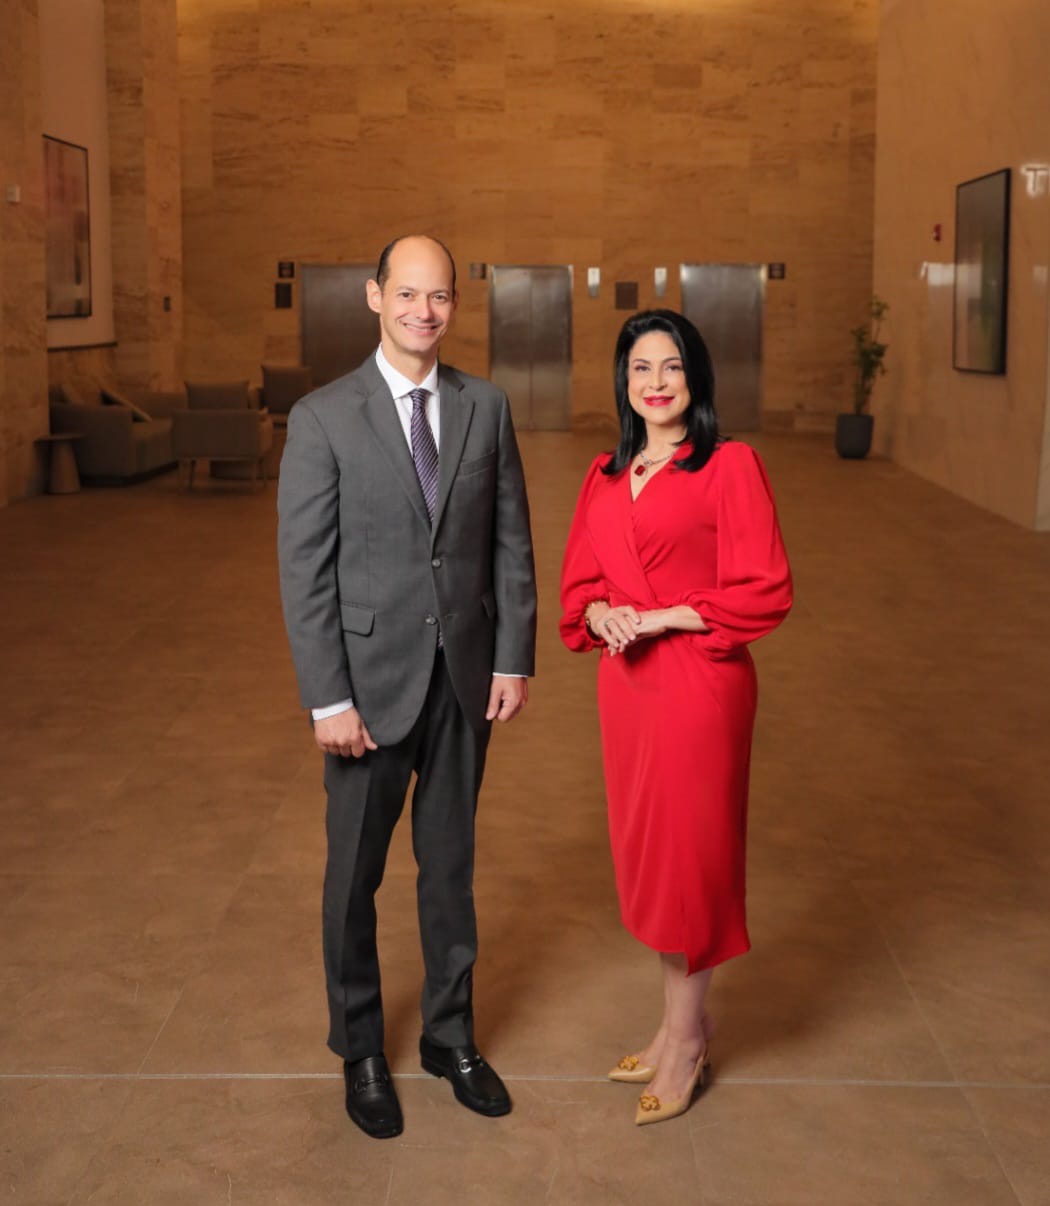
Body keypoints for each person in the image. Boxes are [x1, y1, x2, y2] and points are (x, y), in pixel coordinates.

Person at [278, 235, 537, 1140]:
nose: (425, 311)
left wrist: (512, 657)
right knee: (355, 878)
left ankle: (448, 1035)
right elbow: (305, 571)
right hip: (366, 693)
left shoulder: (485, 407)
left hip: (464, 680)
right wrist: (328, 699)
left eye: (441, 297)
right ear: (374, 296)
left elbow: (510, 541)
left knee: (451, 870)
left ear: (455, 304)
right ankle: (360, 1047)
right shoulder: (322, 418)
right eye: (408, 294)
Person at [559, 309, 792, 1126]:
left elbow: (764, 588)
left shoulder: (729, 464)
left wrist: (656, 617)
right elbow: (580, 590)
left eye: (672, 367)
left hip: (699, 685)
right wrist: (603, 616)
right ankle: (673, 1024)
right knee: (654, 858)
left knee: (692, 862)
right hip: (627, 690)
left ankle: (689, 1039)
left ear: (696, 377)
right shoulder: (603, 473)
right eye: (640, 369)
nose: (655, 383)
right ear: (623, 382)